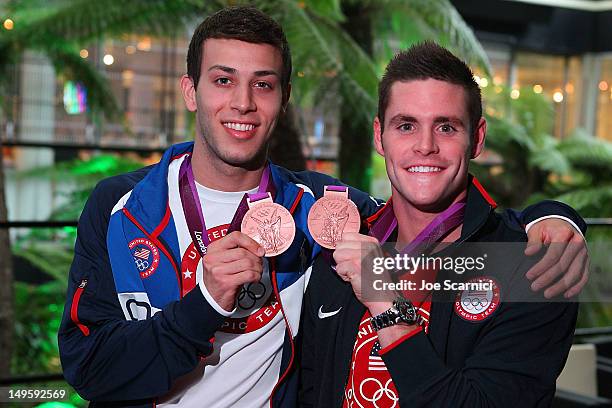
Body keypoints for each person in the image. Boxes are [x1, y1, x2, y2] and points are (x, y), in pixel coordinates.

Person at [58, 7, 586, 408]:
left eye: (262, 85)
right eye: (223, 80)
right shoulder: (117, 208)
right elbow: (87, 370)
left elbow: (451, 228)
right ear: (190, 90)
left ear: (283, 99)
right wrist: (202, 308)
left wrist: (555, 218)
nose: (242, 103)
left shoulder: (326, 216)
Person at [300, 42, 582, 407]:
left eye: (446, 127)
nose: (425, 146)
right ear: (379, 136)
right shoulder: (341, 253)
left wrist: (385, 300)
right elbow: (309, 392)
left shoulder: (535, 267)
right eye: (406, 126)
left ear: (476, 138)